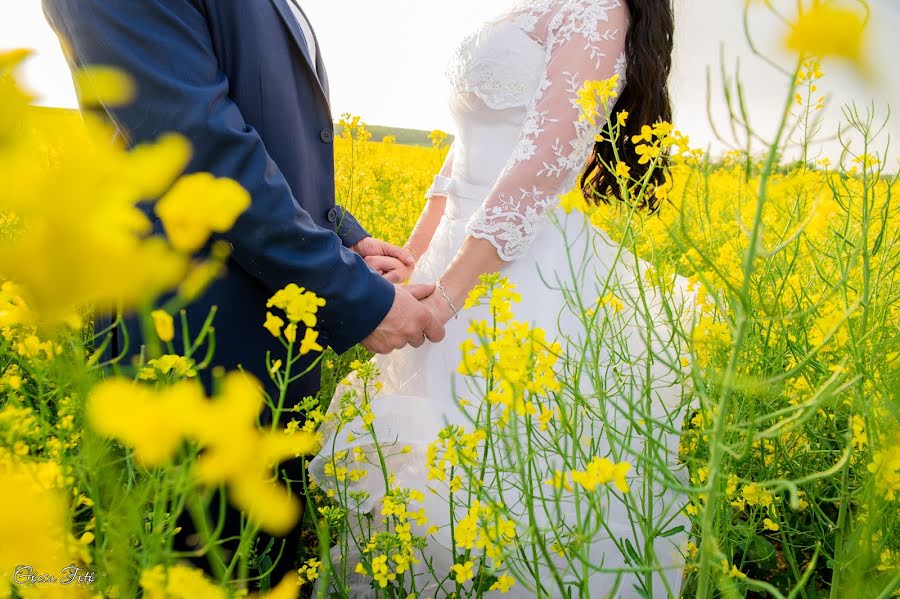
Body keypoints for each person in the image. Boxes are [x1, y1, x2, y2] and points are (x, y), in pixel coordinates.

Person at [42, 0, 446, 586]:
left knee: (264, 570)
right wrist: (355, 299)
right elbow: (202, 150)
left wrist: (347, 242)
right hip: (190, 348)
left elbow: (276, 143)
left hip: (274, 352)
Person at [309, 0, 696, 596]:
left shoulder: (598, 10)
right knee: (426, 480)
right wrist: (415, 257)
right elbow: (459, 159)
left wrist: (448, 298)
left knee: (515, 484)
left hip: (521, 275)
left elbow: (543, 163)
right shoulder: (533, 7)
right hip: (452, 261)